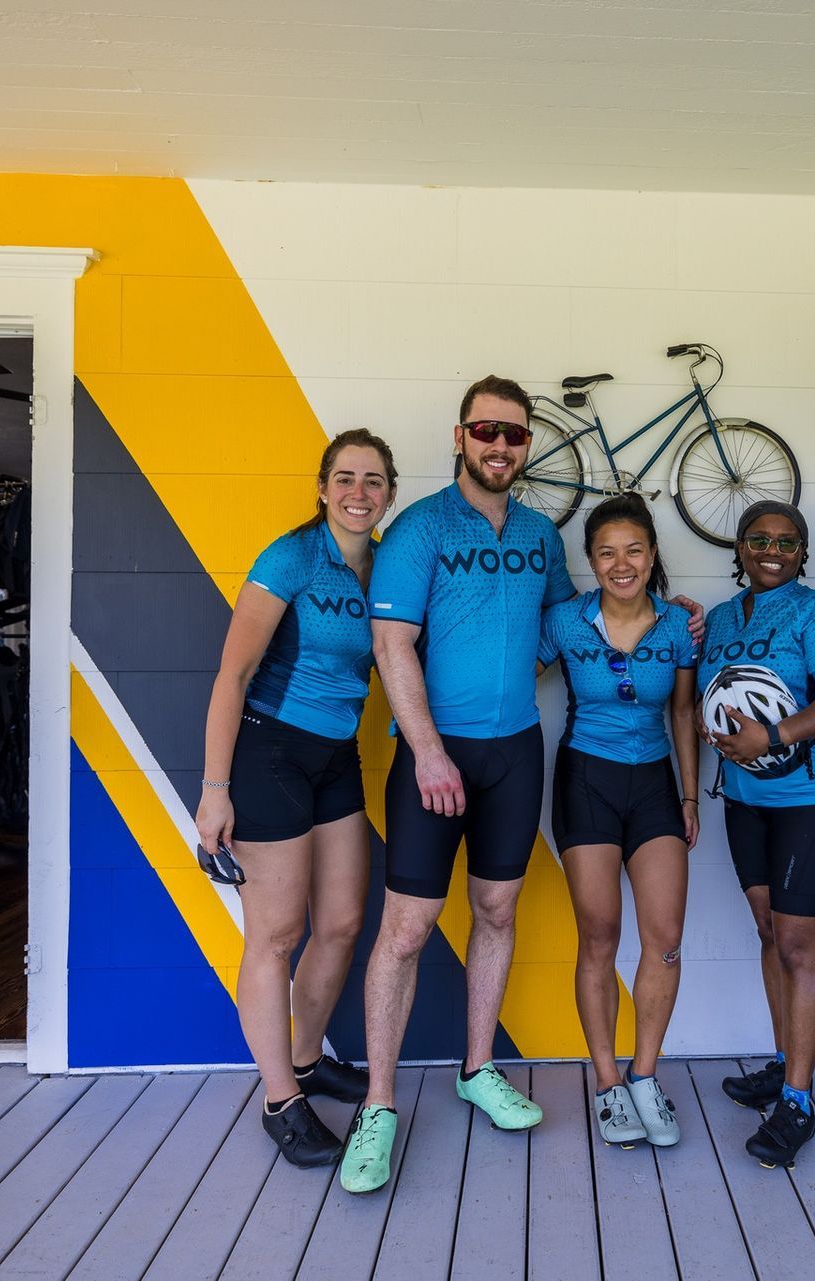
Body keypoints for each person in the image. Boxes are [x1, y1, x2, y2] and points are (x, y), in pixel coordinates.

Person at [339, 374, 577, 1194]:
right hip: (430, 760)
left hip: (514, 751)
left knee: (498, 909)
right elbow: (392, 643)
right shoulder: (418, 528)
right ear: (460, 435)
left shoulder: (544, 534)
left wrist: (659, 615)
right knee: (405, 930)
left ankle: (477, 1069)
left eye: (514, 435)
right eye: (487, 431)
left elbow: (563, 626)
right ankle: (378, 1105)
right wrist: (431, 749)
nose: (500, 446)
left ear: (528, 444)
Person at [193, 428, 397, 1169]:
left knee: (341, 923)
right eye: (345, 477)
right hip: (269, 750)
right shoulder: (291, 557)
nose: (358, 492)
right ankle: (281, 1100)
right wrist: (215, 791)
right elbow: (230, 675)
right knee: (275, 936)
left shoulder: (387, 564)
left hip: (336, 756)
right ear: (322, 486)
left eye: (373, 481)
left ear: (389, 494)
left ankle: (308, 1060)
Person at [700, 500, 815, 1169]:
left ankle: (797, 1099)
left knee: (798, 943)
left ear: (803, 551)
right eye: (759, 538)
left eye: (787, 541)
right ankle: (782, 1058)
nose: (773, 549)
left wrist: (775, 735)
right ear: (740, 547)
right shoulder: (715, 619)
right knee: (770, 931)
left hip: (812, 796)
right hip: (744, 799)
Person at [539, 494, 700, 1149]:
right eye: (606, 551)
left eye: (634, 549)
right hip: (586, 781)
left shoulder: (679, 625)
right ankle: (607, 1085)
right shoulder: (564, 619)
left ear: (653, 554)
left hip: (655, 785)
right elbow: (508, 673)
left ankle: (644, 1076)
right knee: (599, 937)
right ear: (591, 561)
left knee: (664, 938)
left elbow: (683, 714)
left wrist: (690, 796)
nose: (621, 562)